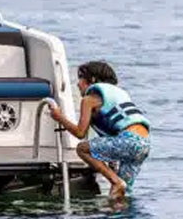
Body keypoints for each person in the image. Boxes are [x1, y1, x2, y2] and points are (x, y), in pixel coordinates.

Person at [44, 60, 151, 200]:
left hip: (129, 140)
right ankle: (119, 214)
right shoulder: (118, 94)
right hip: (144, 144)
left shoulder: (89, 99)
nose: (77, 84)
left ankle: (115, 180)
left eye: (80, 78)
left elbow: (80, 133)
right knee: (121, 194)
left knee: (82, 149)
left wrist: (59, 117)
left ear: (92, 79)